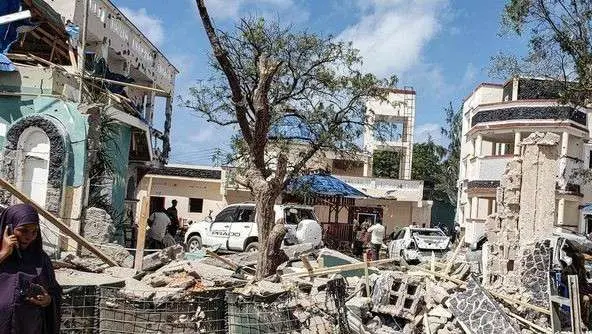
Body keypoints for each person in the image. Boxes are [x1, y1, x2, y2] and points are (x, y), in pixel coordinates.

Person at [0, 204, 62, 333]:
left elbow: (54, 291)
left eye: (34, 232)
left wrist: (47, 300)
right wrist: (4, 253)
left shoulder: (41, 259)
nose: (29, 236)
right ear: (9, 228)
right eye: (23, 230)